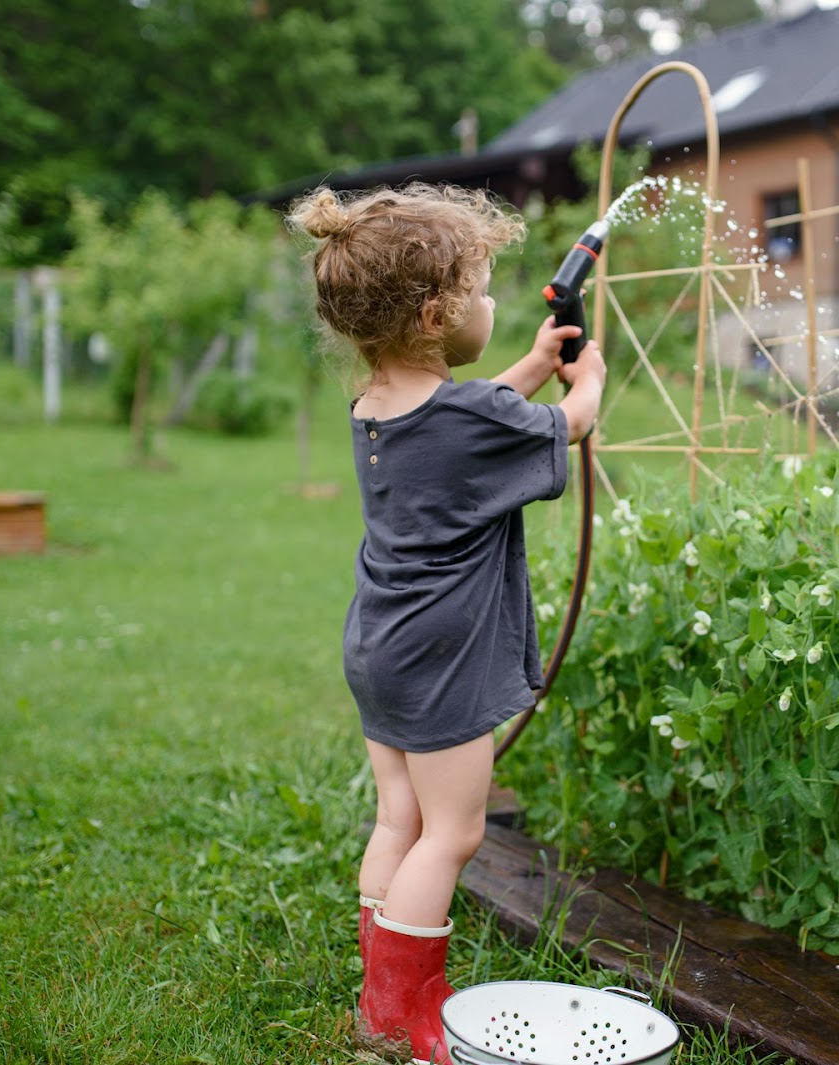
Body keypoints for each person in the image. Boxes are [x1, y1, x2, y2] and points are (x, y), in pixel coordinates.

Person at [286, 183, 605, 1063]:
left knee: (400, 819)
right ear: (434, 316)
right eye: (481, 291)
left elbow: (471, 423)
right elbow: (565, 425)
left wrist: (532, 363)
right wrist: (589, 381)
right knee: (454, 832)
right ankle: (399, 1022)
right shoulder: (466, 417)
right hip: (443, 660)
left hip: (382, 649)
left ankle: (384, 991)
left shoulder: (377, 410)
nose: (493, 307)